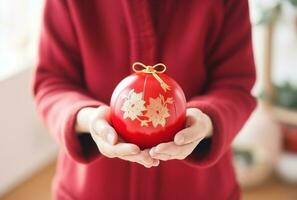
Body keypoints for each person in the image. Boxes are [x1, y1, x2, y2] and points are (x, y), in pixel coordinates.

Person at [33, 0, 256, 199]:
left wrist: (206, 121)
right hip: (91, 187)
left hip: (200, 188)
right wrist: (87, 118)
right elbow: (52, 82)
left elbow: (235, 84)